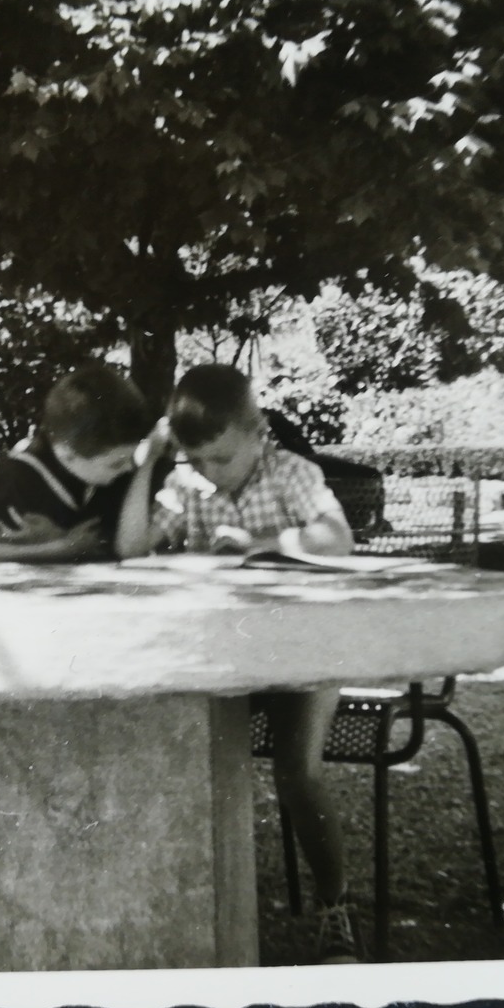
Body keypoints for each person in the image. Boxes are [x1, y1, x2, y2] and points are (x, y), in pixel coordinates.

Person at [116, 364, 363, 963]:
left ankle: (336, 910)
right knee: (183, 762)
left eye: (223, 458)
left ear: (260, 432)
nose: (211, 472)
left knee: (298, 775)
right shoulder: (189, 487)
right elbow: (129, 549)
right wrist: (148, 464)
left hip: (305, 653)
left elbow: (338, 539)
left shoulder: (291, 474)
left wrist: (263, 544)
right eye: (198, 460)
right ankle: (193, 916)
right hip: (224, 657)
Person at [0, 364, 150, 563]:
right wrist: (63, 547)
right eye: (116, 463)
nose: (129, 468)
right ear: (68, 455)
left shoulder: (111, 475)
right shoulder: (17, 479)